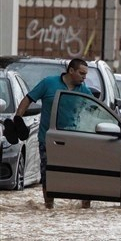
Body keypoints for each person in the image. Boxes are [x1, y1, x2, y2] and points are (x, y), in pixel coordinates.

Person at [15, 58, 93, 209]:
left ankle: (85, 209)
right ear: (71, 71)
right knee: (48, 174)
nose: (84, 77)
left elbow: (94, 110)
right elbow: (28, 99)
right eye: (82, 73)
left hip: (75, 139)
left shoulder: (84, 90)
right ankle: (48, 207)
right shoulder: (48, 83)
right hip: (48, 139)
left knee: (82, 174)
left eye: (86, 74)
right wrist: (18, 118)